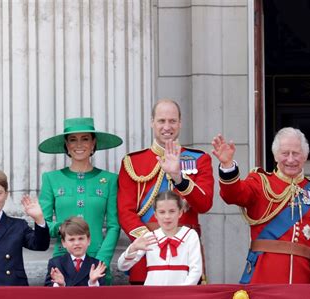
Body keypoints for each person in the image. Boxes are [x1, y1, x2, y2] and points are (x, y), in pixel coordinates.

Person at [212, 128, 310, 284]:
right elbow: (233, 195)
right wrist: (227, 166)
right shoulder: (260, 182)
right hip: (264, 277)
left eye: (296, 153)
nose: (291, 159)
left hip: (303, 279)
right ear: (276, 155)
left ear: (305, 156)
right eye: (285, 153)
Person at [117, 99, 214, 284]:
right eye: (161, 121)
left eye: (172, 121)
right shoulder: (132, 162)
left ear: (180, 123)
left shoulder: (199, 159)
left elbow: (204, 204)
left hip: (186, 252)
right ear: (152, 122)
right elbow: (125, 211)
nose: (167, 126)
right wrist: (152, 241)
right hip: (146, 255)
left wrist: (179, 177)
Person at [38, 117, 122, 284]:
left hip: (98, 263)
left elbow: (114, 225)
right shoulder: (51, 179)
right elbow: (43, 223)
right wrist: (63, 228)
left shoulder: (110, 179)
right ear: (66, 145)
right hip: (63, 261)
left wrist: (101, 260)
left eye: (85, 139)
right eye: (73, 140)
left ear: (93, 143)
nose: (79, 145)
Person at [117, 191, 202, 285]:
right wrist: (133, 248)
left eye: (172, 211)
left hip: (181, 295)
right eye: (162, 212)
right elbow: (122, 266)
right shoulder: (149, 237)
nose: (167, 216)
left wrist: (182, 292)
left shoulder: (190, 235)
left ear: (180, 213)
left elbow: (196, 270)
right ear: (156, 214)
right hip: (153, 295)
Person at [45, 216, 106, 287]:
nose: (77, 243)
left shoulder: (97, 265)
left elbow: (102, 295)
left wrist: (93, 282)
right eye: (71, 239)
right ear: (64, 242)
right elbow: (48, 293)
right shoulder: (56, 264)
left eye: (81, 238)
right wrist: (61, 285)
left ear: (88, 240)